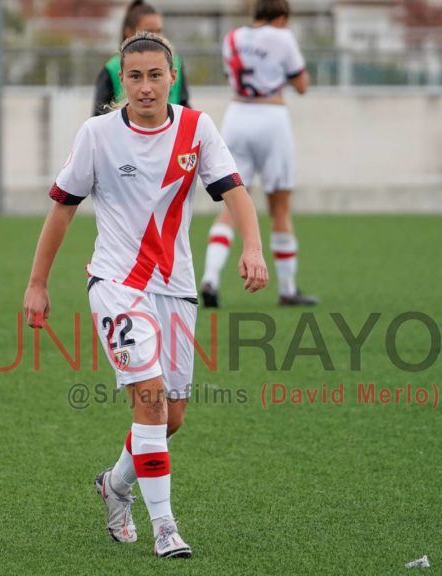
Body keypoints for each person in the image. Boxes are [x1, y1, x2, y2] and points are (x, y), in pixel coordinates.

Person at [24, 32, 268, 558]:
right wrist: (37, 282)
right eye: (134, 76)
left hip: (175, 287)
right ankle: (165, 528)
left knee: (171, 415)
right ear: (122, 80)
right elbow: (62, 208)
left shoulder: (197, 128)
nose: (145, 86)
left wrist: (253, 246)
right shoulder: (97, 134)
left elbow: (234, 190)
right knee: (152, 401)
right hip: (116, 284)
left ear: (172, 77)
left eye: (155, 75)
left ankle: (114, 484)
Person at [199, 0, 317, 308]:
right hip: (271, 117)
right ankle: (288, 289)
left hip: (237, 116)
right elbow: (302, 84)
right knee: (279, 207)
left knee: (231, 203)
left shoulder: (232, 37)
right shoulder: (282, 37)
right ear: (281, 17)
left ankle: (210, 278)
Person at [92, 0, 190, 116]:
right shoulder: (111, 68)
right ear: (129, 32)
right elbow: (99, 114)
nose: (155, 36)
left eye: (159, 31)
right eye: (135, 76)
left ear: (172, 76)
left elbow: (184, 104)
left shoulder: (174, 61)